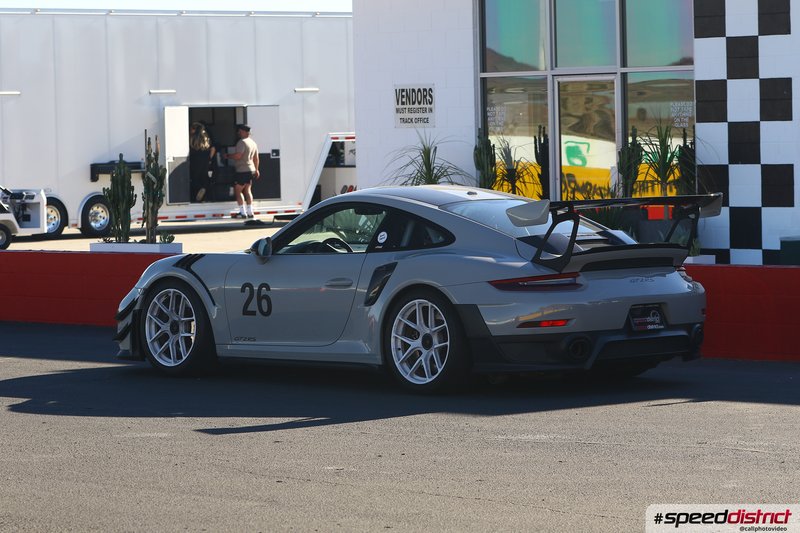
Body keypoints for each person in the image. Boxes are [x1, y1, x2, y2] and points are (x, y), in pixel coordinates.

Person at [224, 124, 260, 218]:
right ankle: (250, 212)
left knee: (238, 191)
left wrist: (228, 156)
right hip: (251, 170)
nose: (238, 133)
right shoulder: (253, 143)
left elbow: (238, 156)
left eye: (239, 131)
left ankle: (242, 212)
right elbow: (256, 158)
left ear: (244, 132)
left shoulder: (241, 142)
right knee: (248, 190)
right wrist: (256, 170)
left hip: (242, 170)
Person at [189, 122, 216, 202]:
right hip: (205, 159)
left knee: (194, 178)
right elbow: (213, 149)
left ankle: (197, 194)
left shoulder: (192, 138)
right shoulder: (206, 138)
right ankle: (203, 189)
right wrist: (209, 159)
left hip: (195, 159)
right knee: (204, 176)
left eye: (191, 129)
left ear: (194, 129)